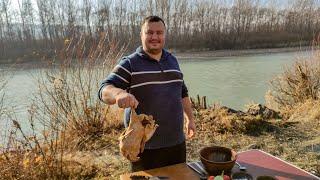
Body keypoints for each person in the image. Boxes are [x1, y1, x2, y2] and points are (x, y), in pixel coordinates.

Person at [98, 15, 196, 172]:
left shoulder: (173, 60)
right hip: (143, 147)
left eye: (159, 32)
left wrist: (190, 119)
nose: (155, 37)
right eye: (149, 32)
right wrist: (118, 95)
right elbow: (104, 89)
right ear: (141, 35)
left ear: (165, 35)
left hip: (177, 143)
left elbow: (182, 92)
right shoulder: (130, 63)